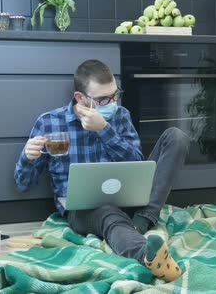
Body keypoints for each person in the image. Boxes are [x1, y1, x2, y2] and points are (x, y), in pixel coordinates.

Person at [14, 59, 189, 282]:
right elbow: (23, 184)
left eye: (115, 95)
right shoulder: (49, 123)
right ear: (80, 98)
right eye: (103, 99)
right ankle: (147, 256)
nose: (112, 103)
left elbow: (138, 163)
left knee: (177, 136)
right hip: (84, 211)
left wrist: (105, 130)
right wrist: (27, 158)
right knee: (107, 212)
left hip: (129, 198)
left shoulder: (120, 116)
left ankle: (141, 220)